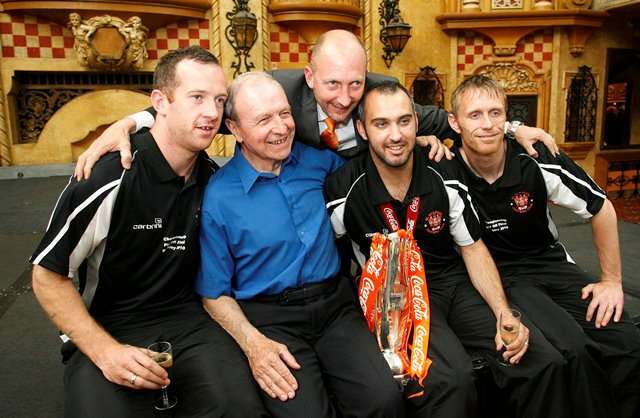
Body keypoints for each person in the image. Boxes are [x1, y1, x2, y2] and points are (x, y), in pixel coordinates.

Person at [30, 46, 268, 418]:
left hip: (190, 321)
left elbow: (267, 115)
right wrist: (105, 352)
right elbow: (47, 275)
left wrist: (131, 120)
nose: (211, 112)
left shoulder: (213, 180)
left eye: (219, 100)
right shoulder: (108, 178)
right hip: (108, 325)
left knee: (243, 409)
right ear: (161, 101)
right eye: (197, 97)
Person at [324, 80, 570, 418]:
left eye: (404, 121)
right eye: (381, 124)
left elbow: (473, 248)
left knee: (542, 360)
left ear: (416, 123)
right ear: (362, 130)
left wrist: (502, 312)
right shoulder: (342, 190)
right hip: (399, 295)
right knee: (453, 380)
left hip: (452, 281)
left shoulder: (443, 170)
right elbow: (332, 261)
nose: (395, 135)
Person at [72, 30, 557, 179]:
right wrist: (134, 121)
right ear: (308, 78)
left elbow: (445, 118)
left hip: (364, 185)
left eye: (354, 83)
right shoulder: (277, 91)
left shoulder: (379, 90)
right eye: (331, 85)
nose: (346, 98)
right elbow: (204, 112)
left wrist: (515, 129)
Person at [195, 71, 404, 418]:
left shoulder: (318, 161)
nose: (281, 127)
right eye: (263, 119)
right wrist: (253, 344)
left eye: (284, 113)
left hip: (336, 306)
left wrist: (429, 140)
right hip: (270, 319)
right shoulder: (219, 196)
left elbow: (378, 167)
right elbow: (214, 293)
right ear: (234, 128)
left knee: (384, 399)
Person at [443, 74, 640, 418]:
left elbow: (601, 207)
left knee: (627, 341)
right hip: (498, 277)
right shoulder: (444, 170)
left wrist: (611, 281)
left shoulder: (534, 156)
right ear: (454, 122)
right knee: (573, 349)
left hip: (548, 263)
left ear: (507, 118)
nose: (487, 124)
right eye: (475, 115)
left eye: (495, 113)